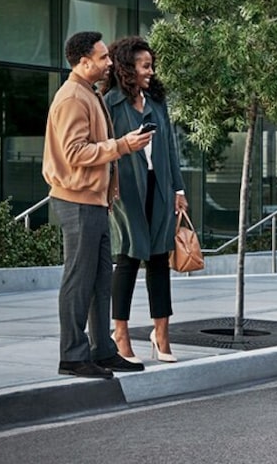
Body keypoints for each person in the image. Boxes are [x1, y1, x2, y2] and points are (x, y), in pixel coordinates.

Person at [43, 31, 153, 379]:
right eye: (103, 57)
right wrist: (122, 145)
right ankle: (73, 356)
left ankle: (102, 350)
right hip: (77, 202)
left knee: (100, 279)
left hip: (94, 201)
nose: (109, 63)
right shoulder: (73, 98)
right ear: (83, 61)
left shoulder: (88, 94)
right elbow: (75, 153)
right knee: (79, 280)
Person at [104, 36, 187, 364]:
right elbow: (106, 149)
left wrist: (178, 189)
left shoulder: (156, 102)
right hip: (126, 192)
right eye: (145, 66)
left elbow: (170, 148)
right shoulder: (109, 103)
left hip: (160, 188)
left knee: (158, 261)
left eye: (151, 65)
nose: (151, 71)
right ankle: (120, 333)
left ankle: (161, 333)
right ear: (127, 68)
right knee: (126, 259)